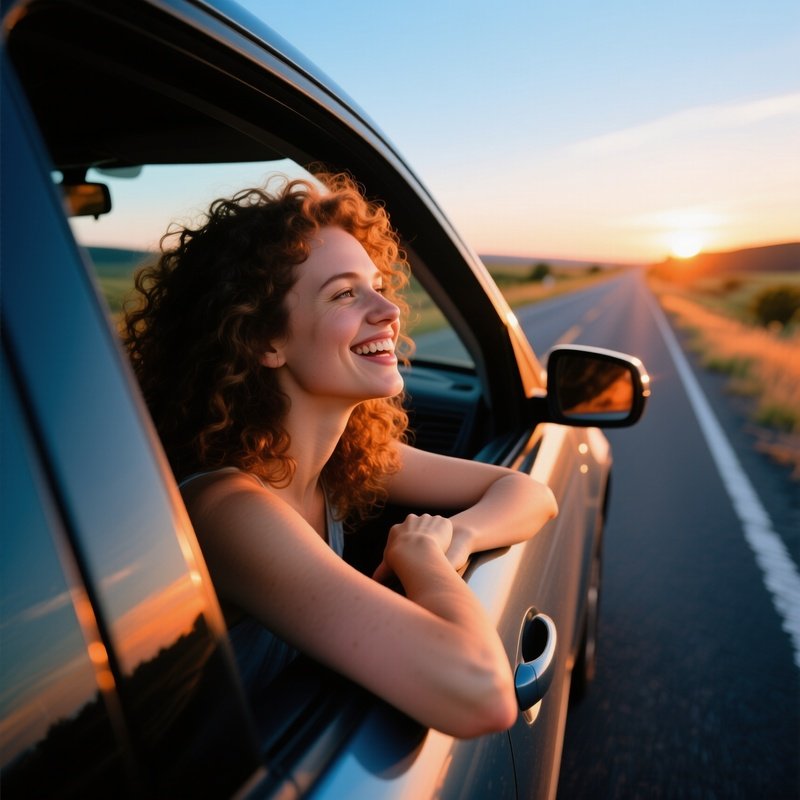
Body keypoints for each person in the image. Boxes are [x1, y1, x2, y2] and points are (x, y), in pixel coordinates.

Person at [124, 172, 558, 739]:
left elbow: (531, 493)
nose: (388, 310)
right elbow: (482, 695)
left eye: (378, 285)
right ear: (264, 341)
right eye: (345, 293)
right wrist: (424, 563)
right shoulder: (227, 507)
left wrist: (461, 537)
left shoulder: (339, 460)